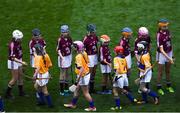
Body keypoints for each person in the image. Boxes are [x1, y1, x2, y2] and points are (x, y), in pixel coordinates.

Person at [64, 41, 96, 111]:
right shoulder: (84, 53)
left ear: (77, 48)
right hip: (85, 75)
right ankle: (73, 104)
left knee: (86, 93)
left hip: (82, 76)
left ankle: (92, 107)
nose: (72, 47)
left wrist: (77, 81)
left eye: (74, 46)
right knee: (77, 90)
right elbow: (87, 63)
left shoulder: (78, 57)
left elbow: (81, 69)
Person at [111, 46, 137, 111]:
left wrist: (114, 77)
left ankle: (118, 106)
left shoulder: (116, 59)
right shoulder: (124, 58)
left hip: (119, 76)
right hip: (124, 75)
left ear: (117, 51)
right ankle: (133, 99)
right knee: (121, 90)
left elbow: (117, 69)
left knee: (115, 90)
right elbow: (127, 68)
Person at [5, 30, 28, 99]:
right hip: (13, 62)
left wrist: (21, 61)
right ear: (15, 38)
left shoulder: (17, 42)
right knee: (15, 78)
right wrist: (22, 62)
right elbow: (12, 57)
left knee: (20, 76)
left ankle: (21, 92)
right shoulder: (13, 45)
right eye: (19, 38)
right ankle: (7, 93)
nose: (21, 39)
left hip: (18, 60)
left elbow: (18, 52)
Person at [156, 19, 175, 95]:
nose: (166, 27)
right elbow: (161, 50)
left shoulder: (168, 32)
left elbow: (170, 44)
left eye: (167, 26)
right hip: (162, 54)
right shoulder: (159, 35)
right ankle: (159, 87)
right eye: (164, 26)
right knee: (160, 72)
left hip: (169, 52)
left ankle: (168, 86)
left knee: (168, 71)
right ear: (160, 27)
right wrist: (169, 58)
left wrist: (172, 55)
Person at [33, 44, 53, 108]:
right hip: (45, 73)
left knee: (44, 90)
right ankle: (42, 101)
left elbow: (38, 68)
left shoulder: (37, 58)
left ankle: (49, 104)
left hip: (41, 75)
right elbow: (49, 65)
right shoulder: (46, 55)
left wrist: (34, 75)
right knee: (36, 86)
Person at [56, 25, 73, 96]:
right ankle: (61, 91)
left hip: (68, 56)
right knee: (62, 73)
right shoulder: (60, 40)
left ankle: (66, 89)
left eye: (66, 32)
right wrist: (62, 57)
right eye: (64, 32)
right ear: (61, 32)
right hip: (63, 57)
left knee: (67, 73)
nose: (65, 33)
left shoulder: (69, 38)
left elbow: (71, 46)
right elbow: (57, 50)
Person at [83, 24, 99, 93]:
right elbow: (83, 50)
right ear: (89, 31)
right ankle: (87, 88)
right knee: (89, 72)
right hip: (89, 56)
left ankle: (92, 88)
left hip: (95, 55)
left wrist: (98, 55)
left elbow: (97, 46)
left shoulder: (95, 37)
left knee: (94, 72)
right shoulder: (86, 39)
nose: (94, 32)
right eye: (93, 31)